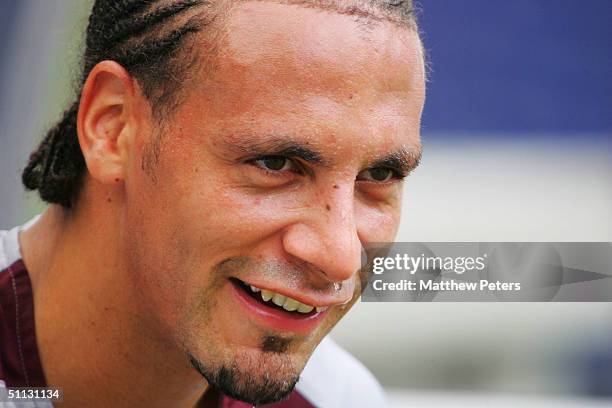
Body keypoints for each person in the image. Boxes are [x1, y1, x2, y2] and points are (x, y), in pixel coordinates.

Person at [0, 0, 425, 406]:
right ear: (113, 127)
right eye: (274, 163)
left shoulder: (340, 399)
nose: (341, 258)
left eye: (380, 176)